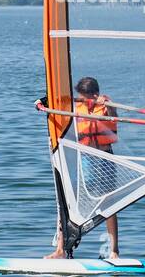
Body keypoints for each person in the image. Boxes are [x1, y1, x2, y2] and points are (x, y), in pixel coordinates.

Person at [45, 76, 121, 259]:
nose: (81, 98)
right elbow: (56, 104)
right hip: (85, 159)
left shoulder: (106, 106)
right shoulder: (75, 106)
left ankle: (114, 251)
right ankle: (61, 249)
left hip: (105, 159)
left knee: (108, 204)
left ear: (94, 95)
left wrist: (108, 105)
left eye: (85, 96)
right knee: (67, 202)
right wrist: (43, 102)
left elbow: (114, 117)